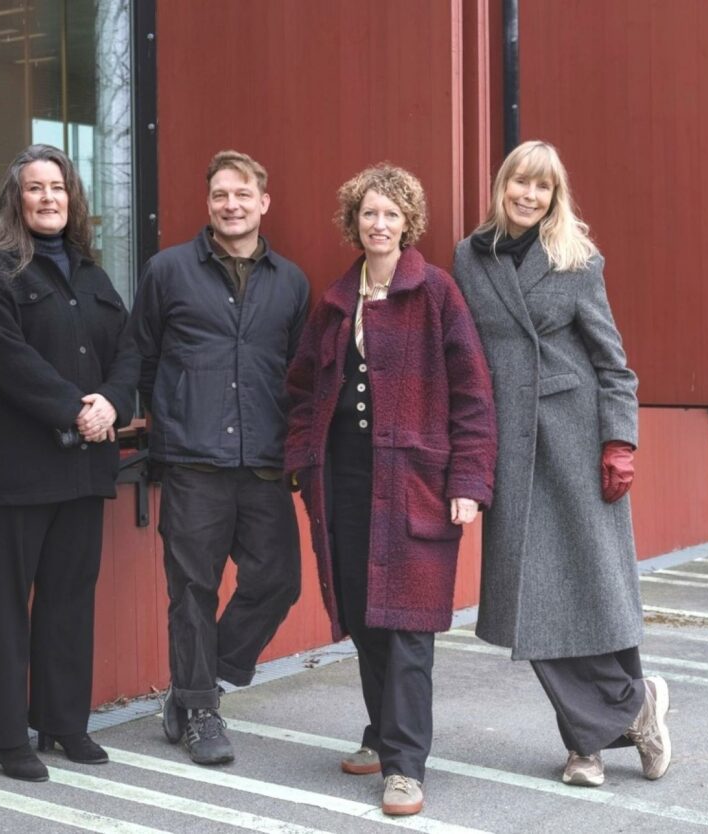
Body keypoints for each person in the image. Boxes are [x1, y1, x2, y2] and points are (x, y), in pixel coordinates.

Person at [451, 140, 671, 788]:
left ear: (554, 197)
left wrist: (619, 441)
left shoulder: (577, 260)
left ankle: (588, 748)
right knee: (533, 602)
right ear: (503, 186)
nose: (528, 194)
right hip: (509, 448)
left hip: (573, 443)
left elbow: (612, 362)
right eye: (520, 182)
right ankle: (635, 710)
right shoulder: (471, 256)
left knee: (593, 594)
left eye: (541, 188)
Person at [285, 164, 497, 816]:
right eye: (368, 214)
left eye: (390, 214)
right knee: (365, 615)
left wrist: (469, 480)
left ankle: (405, 767)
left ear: (408, 223)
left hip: (414, 482)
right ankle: (381, 735)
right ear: (356, 223)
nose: (379, 224)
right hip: (344, 481)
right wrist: (301, 458)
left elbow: (473, 395)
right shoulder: (336, 299)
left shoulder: (437, 294)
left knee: (407, 627)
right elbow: (301, 388)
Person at [0, 144, 138, 782]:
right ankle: (8, 739)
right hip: (13, 471)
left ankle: (64, 724)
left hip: (82, 469)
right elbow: (5, 360)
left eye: (57, 187)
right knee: (6, 606)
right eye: (34, 188)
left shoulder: (92, 273)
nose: (47, 198)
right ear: (16, 199)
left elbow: (129, 352)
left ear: (72, 197)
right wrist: (75, 409)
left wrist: (112, 402)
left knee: (68, 599)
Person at [131, 150, 309, 765]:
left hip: (263, 457)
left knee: (278, 581)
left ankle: (191, 686)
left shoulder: (290, 281)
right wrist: (168, 421)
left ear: (263, 202)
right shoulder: (168, 271)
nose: (230, 205)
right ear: (208, 204)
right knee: (192, 591)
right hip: (193, 458)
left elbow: (296, 371)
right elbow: (144, 357)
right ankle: (203, 711)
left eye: (242, 194)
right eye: (219, 196)